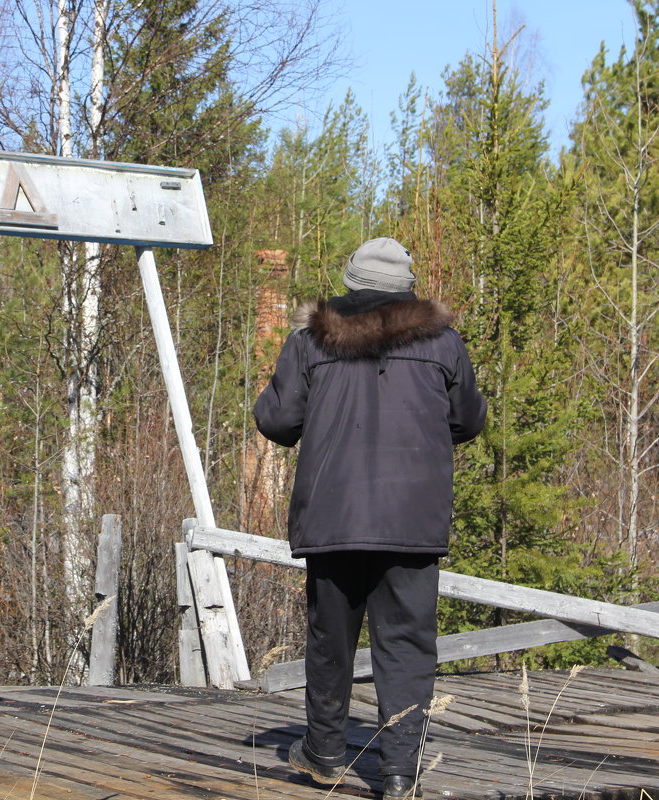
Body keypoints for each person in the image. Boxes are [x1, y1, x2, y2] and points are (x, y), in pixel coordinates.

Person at [253, 237, 485, 799]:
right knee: (407, 644)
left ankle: (326, 752)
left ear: (351, 282)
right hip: (413, 518)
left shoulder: (310, 340)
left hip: (335, 516)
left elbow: (277, 422)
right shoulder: (444, 343)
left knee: (330, 638)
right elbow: (469, 420)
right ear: (408, 287)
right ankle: (400, 771)